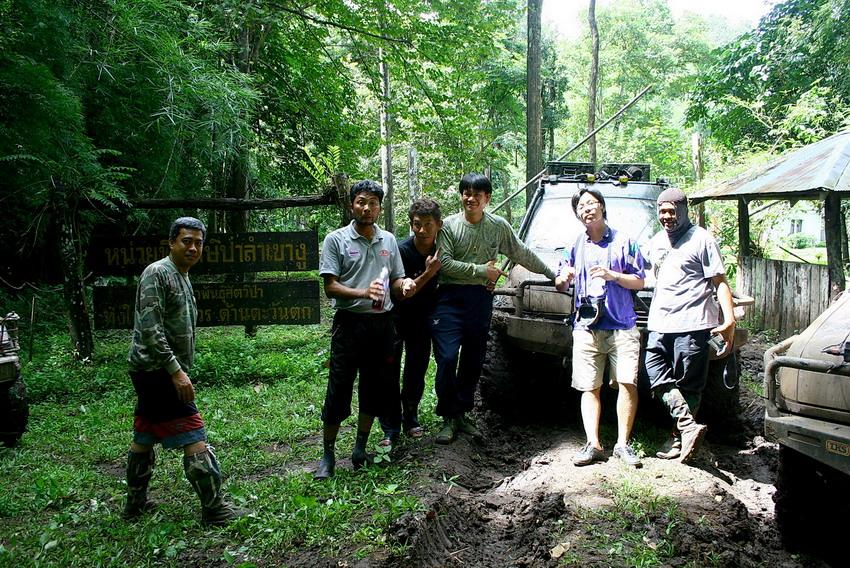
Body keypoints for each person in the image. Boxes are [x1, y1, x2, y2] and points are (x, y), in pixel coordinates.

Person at [124, 217, 243, 525]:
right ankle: (214, 508)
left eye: (198, 243)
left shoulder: (182, 275)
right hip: (157, 370)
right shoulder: (157, 273)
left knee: (145, 432)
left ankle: (135, 504)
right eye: (186, 241)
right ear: (171, 243)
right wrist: (176, 371)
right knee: (193, 432)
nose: (193, 248)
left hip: (157, 370)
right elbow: (151, 329)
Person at [431, 173, 555, 444]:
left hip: (479, 298)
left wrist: (552, 275)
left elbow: (522, 253)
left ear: (487, 198)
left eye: (477, 194)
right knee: (447, 357)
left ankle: (461, 413)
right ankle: (448, 415)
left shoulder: (498, 226)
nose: (471, 198)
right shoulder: (449, 226)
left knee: (473, 358)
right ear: (461, 195)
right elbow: (445, 263)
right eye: (466, 193)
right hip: (449, 298)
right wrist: (481, 271)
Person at [315, 180, 416, 479]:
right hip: (349, 324)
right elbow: (330, 286)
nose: (367, 208)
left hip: (382, 325)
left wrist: (405, 284)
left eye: (373, 203)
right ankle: (328, 455)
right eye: (361, 202)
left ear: (380, 208)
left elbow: (396, 279)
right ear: (352, 205)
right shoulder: (336, 240)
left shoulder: (388, 240)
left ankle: (360, 448)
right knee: (339, 387)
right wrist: (363, 293)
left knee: (374, 386)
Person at [644, 187, 736, 463]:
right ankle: (688, 426)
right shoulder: (656, 241)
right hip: (659, 322)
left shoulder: (702, 239)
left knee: (689, 385)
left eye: (672, 211)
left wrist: (729, 319)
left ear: (684, 211)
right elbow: (639, 272)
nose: (667, 216)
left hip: (693, 323)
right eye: (662, 211)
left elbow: (720, 282)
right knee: (654, 373)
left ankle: (677, 438)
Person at [555, 188, 646, 467]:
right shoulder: (574, 245)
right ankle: (593, 444)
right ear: (577, 214)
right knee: (588, 386)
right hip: (586, 327)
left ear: (602, 207)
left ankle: (622, 444)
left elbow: (640, 281)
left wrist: (613, 275)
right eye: (581, 206)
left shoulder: (625, 242)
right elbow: (560, 284)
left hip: (622, 325)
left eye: (591, 203)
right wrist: (564, 277)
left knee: (627, 383)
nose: (587, 209)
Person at [378, 198, 443, 447]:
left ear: (438, 224)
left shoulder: (442, 251)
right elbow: (403, 292)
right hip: (395, 317)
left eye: (428, 224)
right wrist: (428, 273)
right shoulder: (401, 250)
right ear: (411, 224)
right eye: (417, 224)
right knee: (389, 372)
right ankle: (390, 426)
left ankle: (411, 416)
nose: (422, 230)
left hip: (422, 319)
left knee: (416, 369)